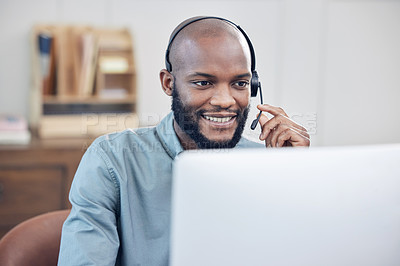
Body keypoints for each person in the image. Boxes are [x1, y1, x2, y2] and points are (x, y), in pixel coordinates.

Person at [57, 16, 310, 266]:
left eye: (240, 83)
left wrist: (296, 178)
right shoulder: (112, 160)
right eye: (203, 82)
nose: (225, 100)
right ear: (169, 83)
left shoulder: (270, 163)